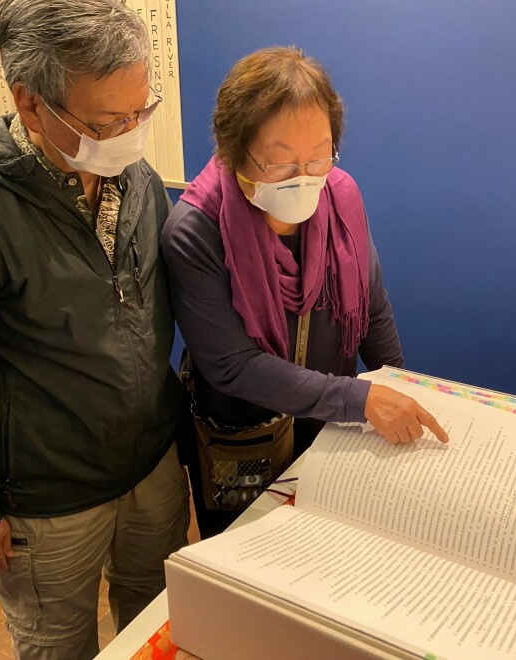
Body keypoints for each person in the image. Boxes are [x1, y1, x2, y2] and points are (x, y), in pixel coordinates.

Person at [0, 1, 189, 658]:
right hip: (46, 499)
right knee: (55, 645)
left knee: (158, 628)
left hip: (149, 467)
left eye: (138, 113)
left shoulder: (139, 180)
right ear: (29, 104)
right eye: (104, 122)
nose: (127, 133)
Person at [162, 46, 448, 536]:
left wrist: (397, 386)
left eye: (319, 157)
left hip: (327, 427)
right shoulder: (196, 229)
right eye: (280, 164)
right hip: (242, 441)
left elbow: (371, 307)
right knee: (245, 560)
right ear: (235, 151)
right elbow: (232, 365)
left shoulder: (340, 197)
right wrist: (361, 399)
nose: (305, 178)